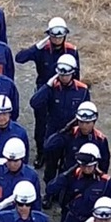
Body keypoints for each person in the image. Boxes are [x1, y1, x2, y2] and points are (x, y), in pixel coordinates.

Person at [15, 17, 80, 164]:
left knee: (62, 123)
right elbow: (20, 58)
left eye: (60, 35)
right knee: (41, 125)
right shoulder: (42, 49)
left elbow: (77, 75)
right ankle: (41, 153)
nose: (57, 39)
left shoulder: (71, 51)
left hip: (63, 91)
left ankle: (61, 154)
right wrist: (36, 47)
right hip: (44, 90)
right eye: (54, 35)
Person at [30, 54, 90, 204]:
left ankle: (62, 194)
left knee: (68, 165)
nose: (64, 77)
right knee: (50, 164)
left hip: (74, 134)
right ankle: (49, 193)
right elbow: (34, 103)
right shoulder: (52, 88)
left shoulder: (82, 90)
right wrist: (47, 86)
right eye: (61, 74)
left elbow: (86, 113)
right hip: (54, 132)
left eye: (67, 74)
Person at [42, 101, 110, 173]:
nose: (84, 126)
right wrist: (63, 131)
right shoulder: (70, 134)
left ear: (94, 122)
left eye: (87, 123)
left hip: (88, 176)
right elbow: (48, 147)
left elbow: (104, 165)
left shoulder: (100, 139)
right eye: (81, 122)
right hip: (68, 175)